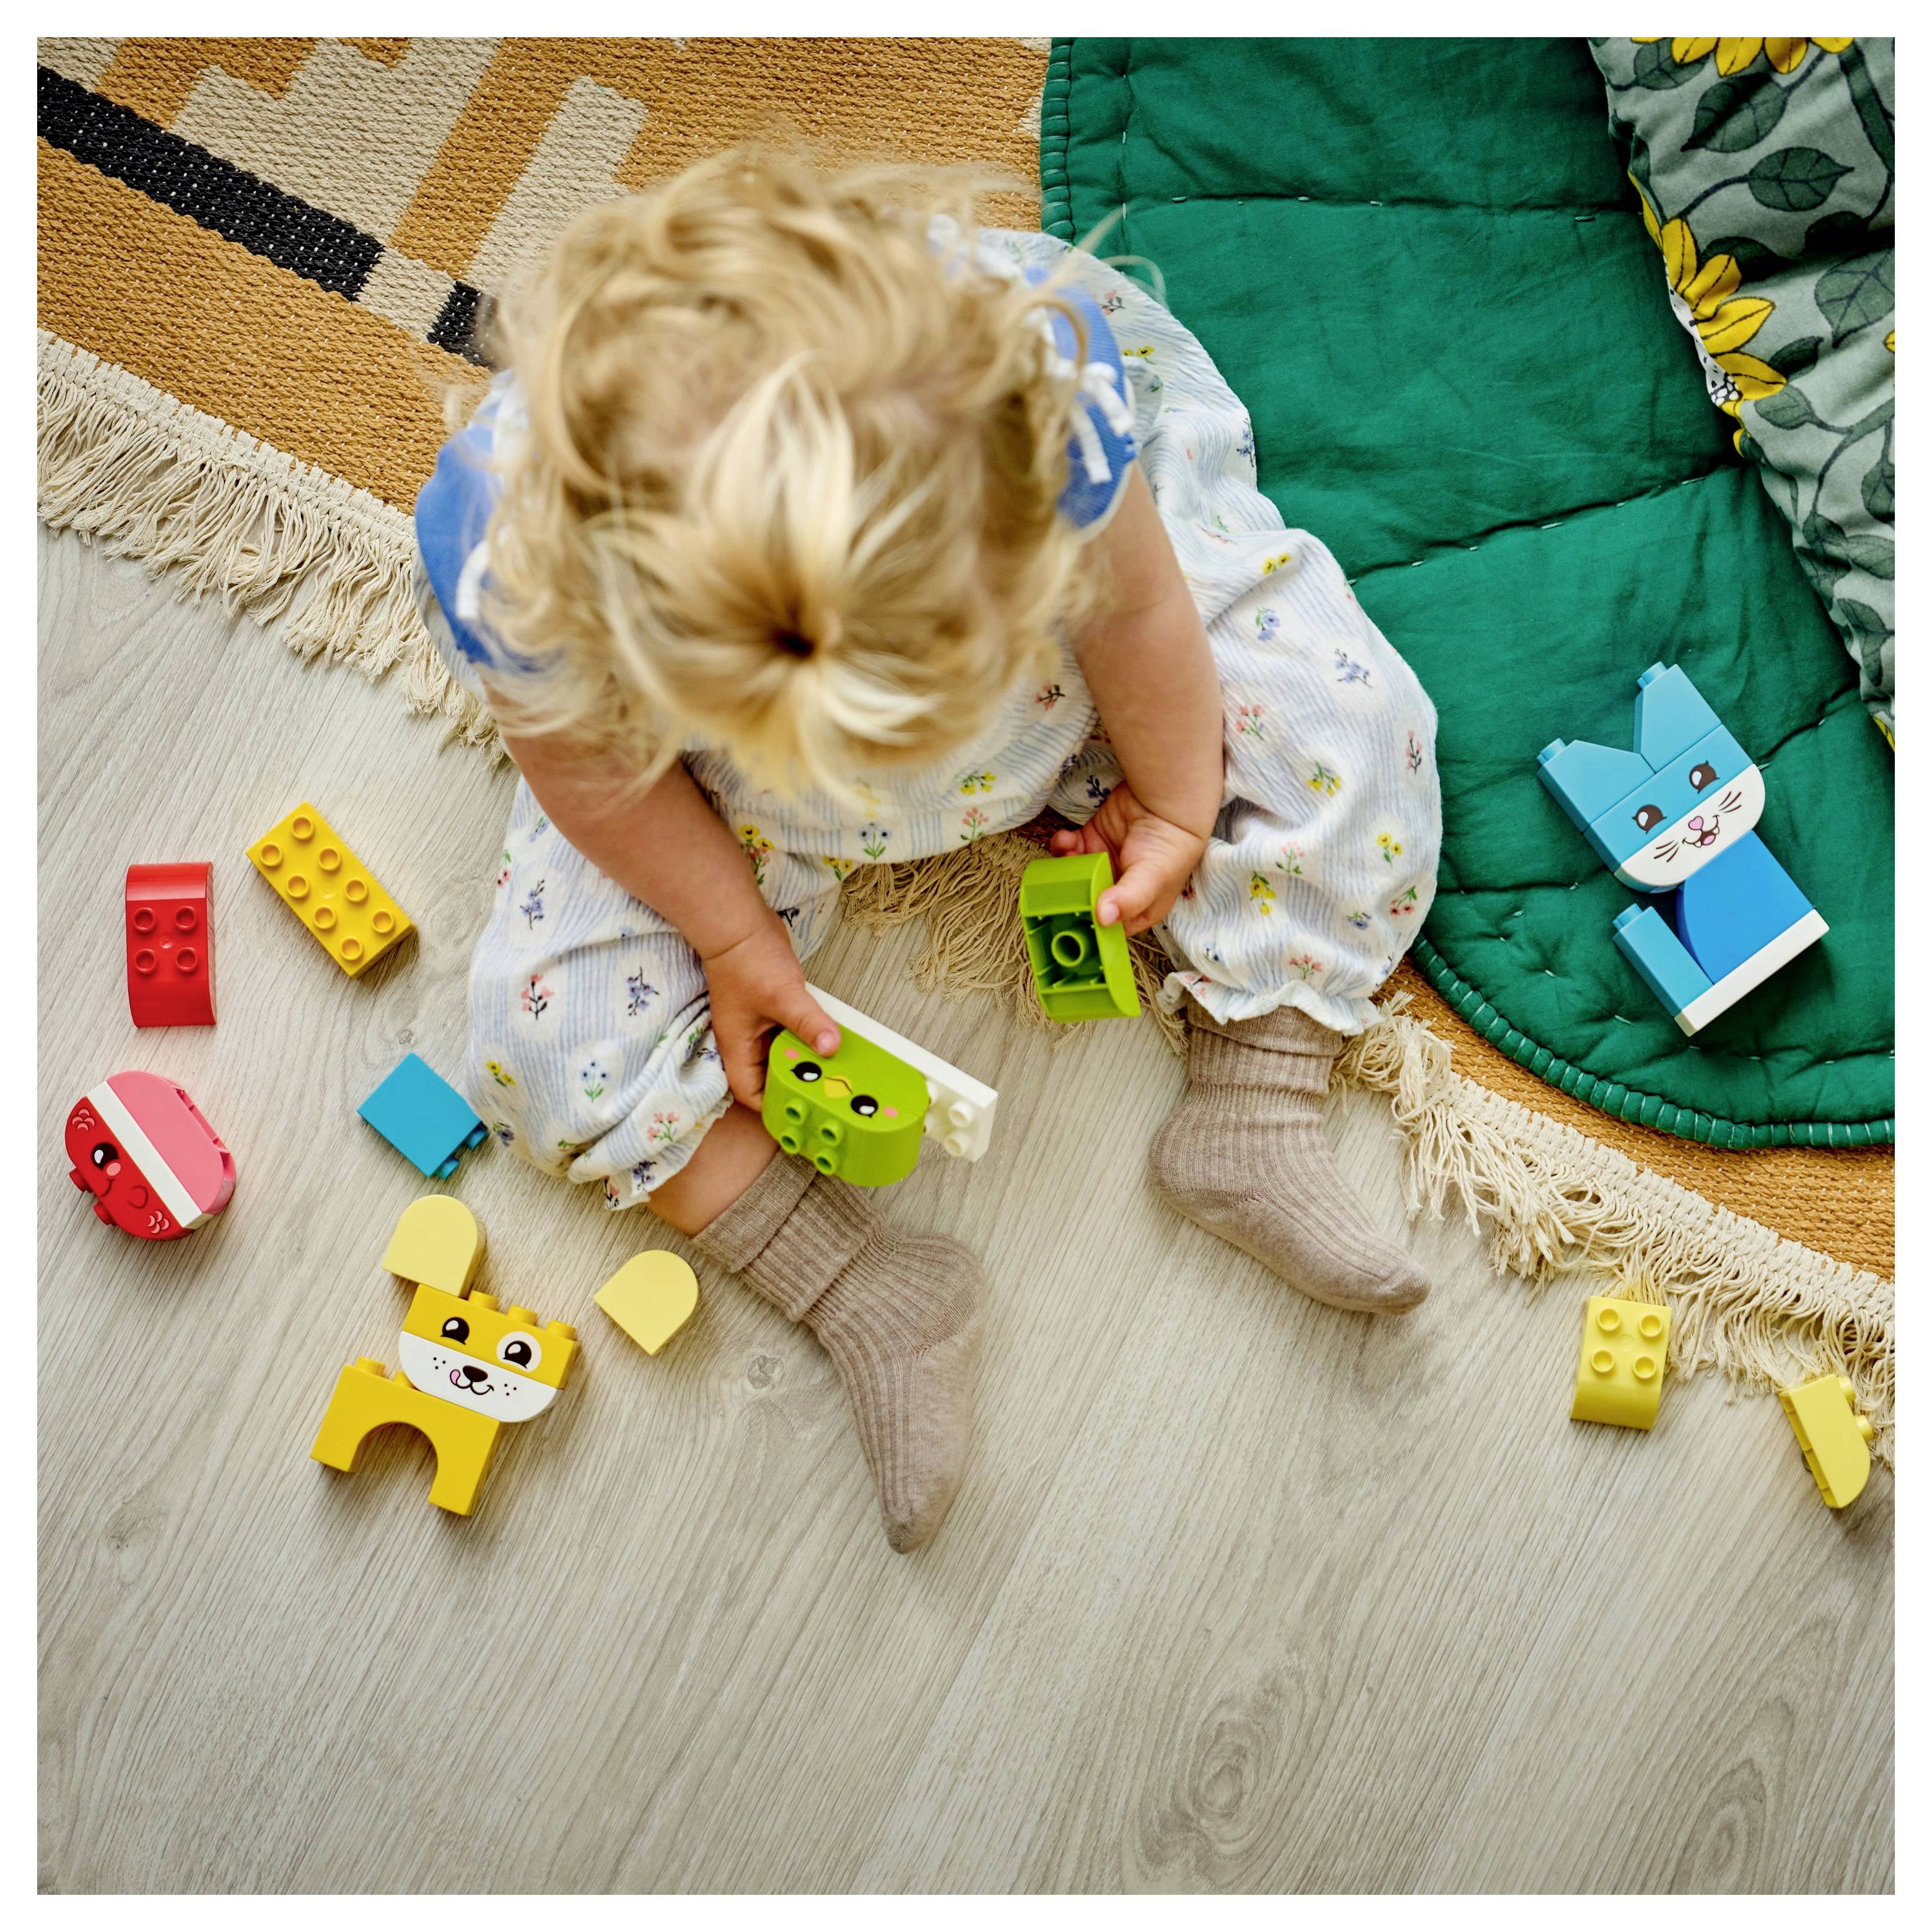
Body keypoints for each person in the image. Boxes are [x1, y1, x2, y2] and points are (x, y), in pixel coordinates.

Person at [414, 151, 1441, 1554]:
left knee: (1349, 715)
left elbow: (1139, 614)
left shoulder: (1022, 385)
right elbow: (595, 779)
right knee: (541, 1040)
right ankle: (861, 1288)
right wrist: (729, 930)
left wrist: (1178, 797)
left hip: (1081, 639)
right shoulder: (516, 555)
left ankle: (1254, 1096)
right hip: (727, 782)